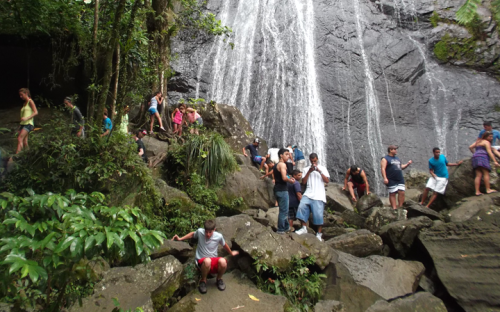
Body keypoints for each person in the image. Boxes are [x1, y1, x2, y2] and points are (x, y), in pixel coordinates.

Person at [171, 219, 239, 294]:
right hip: (201, 260)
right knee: (207, 261)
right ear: (204, 230)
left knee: (223, 261)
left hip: (212, 260)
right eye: (206, 232)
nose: (208, 234)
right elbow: (192, 234)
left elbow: (224, 245)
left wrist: (231, 253)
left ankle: (219, 279)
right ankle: (203, 280)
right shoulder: (200, 232)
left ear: (214, 230)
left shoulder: (218, 236)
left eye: (210, 232)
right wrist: (180, 238)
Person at [295, 153, 330, 241]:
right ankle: (303, 228)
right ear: (309, 160)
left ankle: (319, 233)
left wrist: (319, 171)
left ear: (317, 159)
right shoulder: (306, 169)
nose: (313, 162)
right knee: (301, 207)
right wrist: (310, 171)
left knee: (318, 215)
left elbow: (327, 180)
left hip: (319, 195)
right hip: (308, 193)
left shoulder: (323, 168)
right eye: (312, 161)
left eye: (315, 161)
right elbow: (303, 182)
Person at [381, 145, 412, 210]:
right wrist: (385, 178)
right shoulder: (385, 159)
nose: (396, 150)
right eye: (394, 149)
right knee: (392, 193)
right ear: (390, 150)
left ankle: (400, 207)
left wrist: (407, 164)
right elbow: (383, 169)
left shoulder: (397, 158)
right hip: (391, 179)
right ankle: (394, 208)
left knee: (402, 192)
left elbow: (401, 167)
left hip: (399, 178)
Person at [469, 131, 500, 195]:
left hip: (475, 158)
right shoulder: (486, 142)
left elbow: (470, 147)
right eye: (490, 136)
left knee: (478, 175)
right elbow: (489, 152)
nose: (491, 138)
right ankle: (488, 189)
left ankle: (477, 191)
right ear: (486, 136)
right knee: (486, 173)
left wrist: (475, 153)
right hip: (483, 157)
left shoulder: (478, 141)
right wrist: (495, 161)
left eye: (492, 136)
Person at [274, 148, 296, 234]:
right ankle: (280, 230)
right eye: (286, 154)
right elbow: (283, 177)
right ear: (281, 155)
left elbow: (281, 176)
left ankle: (286, 227)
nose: (288, 156)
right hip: (282, 190)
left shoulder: (276, 165)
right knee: (284, 211)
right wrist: (290, 181)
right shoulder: (283, 165)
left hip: (277, 189)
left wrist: (290, 177)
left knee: (284, 210)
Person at [16, 88, 38, 154]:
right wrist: (20, 126)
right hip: (23, 124)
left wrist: (27, 118)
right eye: (20, 95)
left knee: (20, 138)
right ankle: (28, 156)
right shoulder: (24, 103)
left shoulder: (30, 101)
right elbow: (22, 116)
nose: (20, 96)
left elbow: (36, 112)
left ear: (26, 93)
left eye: (22, 95)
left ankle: (17, 156)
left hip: (28, 123)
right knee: (25, 142)